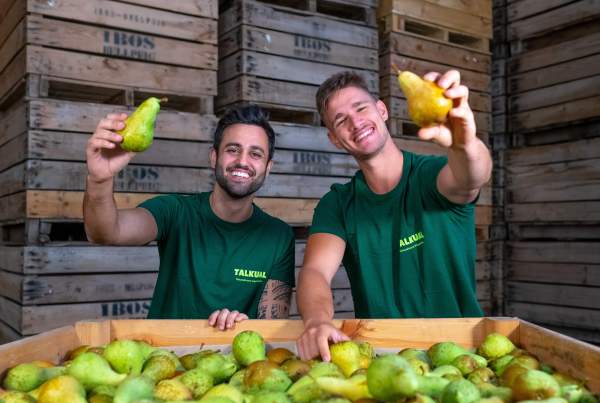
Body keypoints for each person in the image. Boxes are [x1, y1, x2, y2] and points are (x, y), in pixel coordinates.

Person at [296, 70, 493, 360]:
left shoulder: (430, 176)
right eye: (341, 120)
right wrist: (317, 321)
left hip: (462, 355)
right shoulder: (337, 204)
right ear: (335, 139)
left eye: (361, 108)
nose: (355, 122)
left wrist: (465, 145)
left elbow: (472, 177)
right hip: (383, 360)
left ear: (382, 110)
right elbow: (315, 272)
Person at [83, 105, 295, 330]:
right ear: (214, 157)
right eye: (233, 149)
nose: (243, 161)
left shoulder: (277, 236)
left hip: (239, 363)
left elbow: (274, 325)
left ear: (268, 167)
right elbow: (106, 232)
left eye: (255, 154)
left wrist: (242, 327)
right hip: (165, 358)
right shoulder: (175, 212)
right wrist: (99, 179)